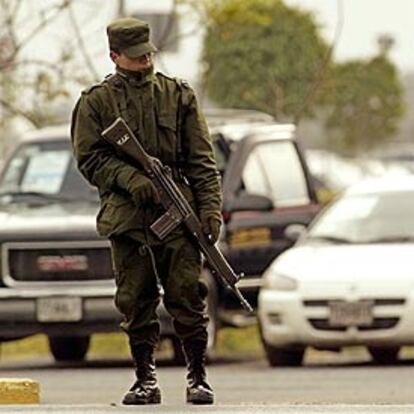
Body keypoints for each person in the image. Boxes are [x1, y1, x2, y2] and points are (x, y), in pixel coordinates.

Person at [70, 17, 222, 405]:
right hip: (128, 216)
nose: (145, 62)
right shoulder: (96, 103)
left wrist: (209, 210)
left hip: (177, 211)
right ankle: (145, 379)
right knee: (135, 300)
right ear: (115, 56)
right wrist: (129, 178)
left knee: (187, 294)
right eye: (136, 57)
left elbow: (202, 161)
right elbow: (89, 159)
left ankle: (198, 376)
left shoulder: (178, 96)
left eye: (148, 54)